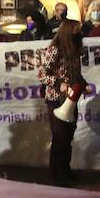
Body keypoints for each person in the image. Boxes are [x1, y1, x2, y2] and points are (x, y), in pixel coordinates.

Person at [39, 20, 85, 186]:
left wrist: (83, 84)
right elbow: (43, 74)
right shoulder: (55, 49)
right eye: (76, 30)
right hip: (55, 99)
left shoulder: (75, 50)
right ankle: (56, 174)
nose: (79, 33)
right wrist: (60, 84)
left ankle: (66, 169)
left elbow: (76, 74)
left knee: (69, 136)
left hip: (71, 99)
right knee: (60, 137)